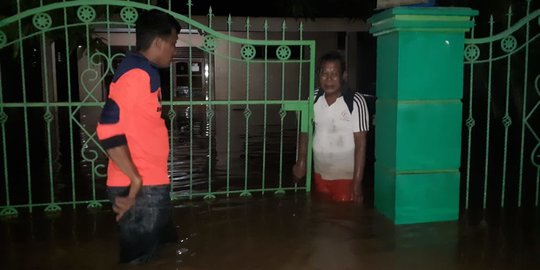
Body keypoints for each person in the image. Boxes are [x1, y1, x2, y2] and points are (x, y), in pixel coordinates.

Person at [96, 9, 180, 264]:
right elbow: (106, 128)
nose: (174, 51)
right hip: (141, 187)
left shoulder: (143, 71)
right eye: (173, 44)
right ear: (159, 42)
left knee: (164, 249)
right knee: (139, 259)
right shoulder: (137, 75)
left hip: (150, 183)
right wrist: (134, 180)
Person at [293, 51, 369, 203]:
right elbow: (305, 131)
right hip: (320, 174)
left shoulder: (356, 101)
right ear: (318, 75)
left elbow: (361, 145)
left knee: (343, 219)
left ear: (344, 75)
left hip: (345, 178)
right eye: (324, 73)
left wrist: (357, 183)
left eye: (334, 74)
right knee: (321, 216)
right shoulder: (313, 98)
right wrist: (301, 161)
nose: (329, 79)